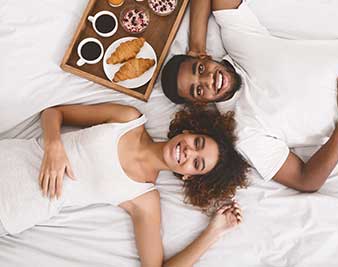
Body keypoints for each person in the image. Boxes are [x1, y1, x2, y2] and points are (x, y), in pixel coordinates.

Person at [161, 0, 338, 192]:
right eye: (198, 90)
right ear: (200, 103)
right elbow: (306, 180)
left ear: (205, 58)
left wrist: (196, 45)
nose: (207, 80)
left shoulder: (240, 41)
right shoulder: (243, 131)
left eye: (199, 69)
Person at [0, 103, 249, 267]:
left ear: (189, 177)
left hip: (12, 210)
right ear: (188, 131)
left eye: (197, 164)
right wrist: (54, 146)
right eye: (197, 142)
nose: (188, 152)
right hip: (9, 157)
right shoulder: (128, 119)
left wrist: (214, 232)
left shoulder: (145, 200)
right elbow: (54, 113)